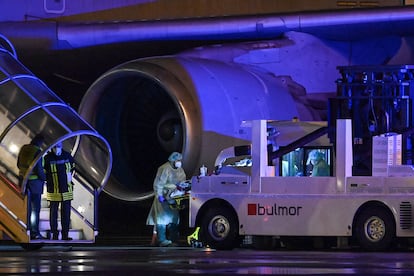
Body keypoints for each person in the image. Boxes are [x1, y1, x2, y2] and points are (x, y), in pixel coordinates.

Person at [146, 152, 186, 247]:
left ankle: (174, 239)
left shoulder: (180, 170)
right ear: (173, 160)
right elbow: (158, 183)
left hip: (174, 196)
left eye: (180, 160)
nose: (179, 162)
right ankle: (162, 240)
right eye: (177, 160)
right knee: (162, 218)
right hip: (164, 196)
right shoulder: (164, 168)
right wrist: (159, 195)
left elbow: (183, 181)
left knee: (174, 218)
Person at [17, 134, 46, 240]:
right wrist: (45, 178)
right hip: (35, 184)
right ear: (40, 142)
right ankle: (34, 232)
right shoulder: (37, 152)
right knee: (35, 209)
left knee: (26, 207)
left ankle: (25, 228)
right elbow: (39, 170)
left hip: (23, 182)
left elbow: (18, 164)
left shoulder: (24, 148)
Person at [44, 142, 75, 240]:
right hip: (54, 190)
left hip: (66, 190)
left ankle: (65, 235)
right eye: (55, 146)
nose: (57, 148)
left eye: (58, 146)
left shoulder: (67, 156)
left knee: (65, 214)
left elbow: (72, 169)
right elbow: (45, 173)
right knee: (53, 213)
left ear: (62, 146)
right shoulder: (47, 158)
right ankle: (55, 234)